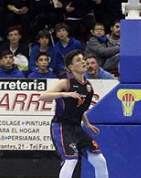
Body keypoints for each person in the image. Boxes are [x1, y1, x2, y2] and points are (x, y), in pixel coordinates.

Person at [39, 50, 109, 178]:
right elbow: (42, 96)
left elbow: (79, 109)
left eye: (83, 59)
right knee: (71, 160)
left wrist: (87, 123)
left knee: (100, 160)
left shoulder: (88, 86)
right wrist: (64, 94)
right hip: (62, 126)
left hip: (77, 127)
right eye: (78, 60)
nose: (83, 62)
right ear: (71, 67)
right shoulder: (65, 83)